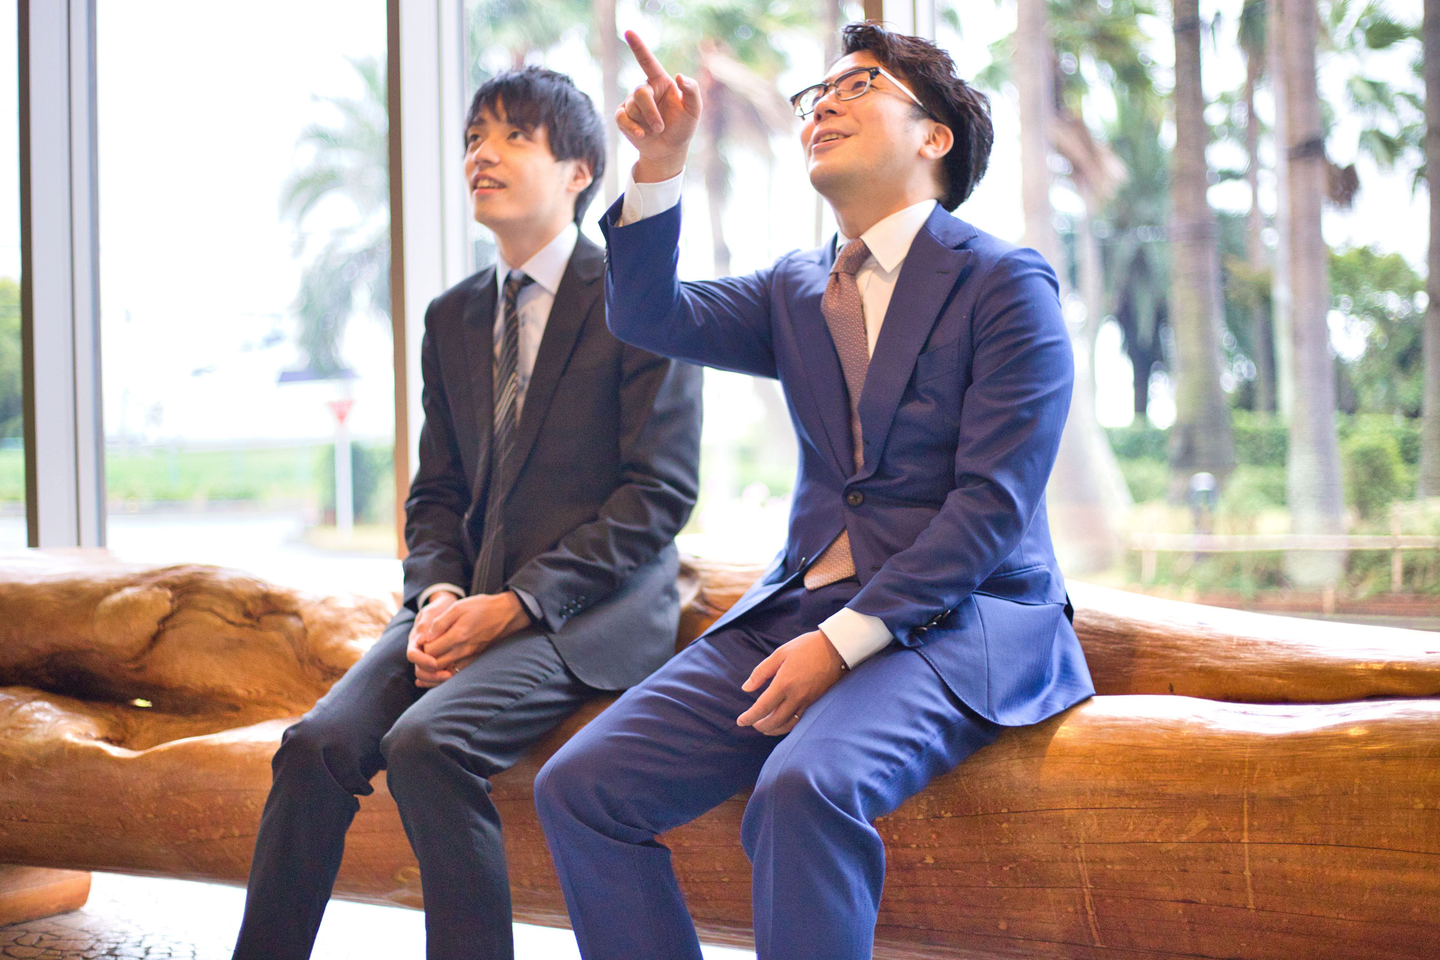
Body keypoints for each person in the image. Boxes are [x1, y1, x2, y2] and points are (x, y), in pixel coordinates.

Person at [533, 23, 1094, 960]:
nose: (824, 103)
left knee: (802, 789)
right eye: (816, 94)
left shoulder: (1006, 284)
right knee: (580, 788)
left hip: (966, 622)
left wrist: (840, 644)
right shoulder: (795, 290)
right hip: (796, 611)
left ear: (934, 137)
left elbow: (991, 510)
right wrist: (660, 167)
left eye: (858, 85)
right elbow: (648, 312)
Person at [231, 67, 702, 960]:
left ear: (578, 171)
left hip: (586, 616)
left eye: (514, 135)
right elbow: (437, 493)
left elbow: (660, 494)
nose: (482, 154)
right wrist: (440, 592)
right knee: (314, 745)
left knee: (426, 745)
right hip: (461, 605)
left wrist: (516, 605)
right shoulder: (452, 316)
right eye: (473, 138)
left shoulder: (635, 298)